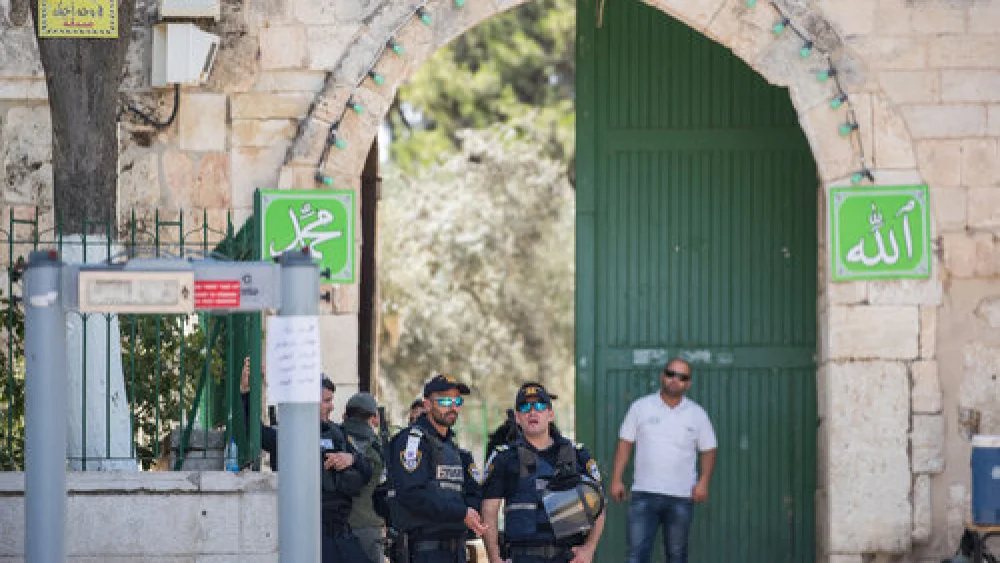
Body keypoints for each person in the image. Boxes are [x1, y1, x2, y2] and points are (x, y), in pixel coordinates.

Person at [239, 358, 373, 562]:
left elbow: (367, 471)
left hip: (341, 535)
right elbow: (254, 430)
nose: (331, 407)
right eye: (326, 401)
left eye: (331, 400)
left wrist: (351, 458)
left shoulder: (338, 434)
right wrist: (247, 392)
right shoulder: (289, 437)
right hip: (308, 537)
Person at [481, 383, 605, 563]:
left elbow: (599, 505)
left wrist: (588, 549)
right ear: (517, 417)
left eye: (539, 406)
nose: (532, 412)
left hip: (567, 556)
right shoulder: (504, 457)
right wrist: (494, 557)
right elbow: (489, 511)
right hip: (522, 556)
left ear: (550, 414)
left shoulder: (576, 454)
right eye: (525, 407)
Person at [609, 358, 717, 563]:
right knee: (636, 557)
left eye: (682, 377)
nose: (675, 380)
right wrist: (616, 479)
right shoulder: (640, 408)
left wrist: (703, 482)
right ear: (662, 376)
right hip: (643, 494)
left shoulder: (697, 414)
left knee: (676, 557)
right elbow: (625, 443)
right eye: (671, 374)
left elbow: (709, 449)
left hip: (681, 497)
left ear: (688, 383)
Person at [386, 373, 488, 563]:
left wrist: (471, 512)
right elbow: (412, 494)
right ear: (427, 404)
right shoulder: (413, 441)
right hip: (425, 550)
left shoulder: (454, 449)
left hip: (456, 550)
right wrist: (460, 513)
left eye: (457, 401)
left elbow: (473, 492)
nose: (452, 407)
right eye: (444, 401)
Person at [343, 392, 387, 563]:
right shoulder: (377, 447)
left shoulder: (337, 437)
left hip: (336, 527)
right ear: (375, 418)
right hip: (368, 525)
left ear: (345, 415)